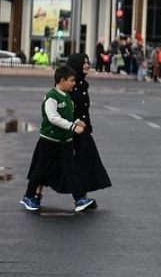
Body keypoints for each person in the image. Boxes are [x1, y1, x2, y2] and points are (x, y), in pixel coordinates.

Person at [20, 66, 95, 213]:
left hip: (65, 142)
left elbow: (69, 116)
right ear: (62, 80)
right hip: (49, 141)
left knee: (70, 170)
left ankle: (79, 199)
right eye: (72, 81)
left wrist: (77, 121)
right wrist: (73, 128)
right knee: (41, 170)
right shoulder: (51, 97)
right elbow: (53, 118)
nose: (74, 83)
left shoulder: (67, 97)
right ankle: (28, 196)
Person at [65, 53, 110, 209]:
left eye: (88, 62)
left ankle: (81, 196)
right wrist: (73, 124)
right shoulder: (69, 84)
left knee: (86, 161)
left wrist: (87, 126)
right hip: (70, 130)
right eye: (83, 62)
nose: (87, 65)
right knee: (53, 165)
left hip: (83, 130)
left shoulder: (83, 84)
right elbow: (64, 108)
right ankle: (33, 194)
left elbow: (85, 109)